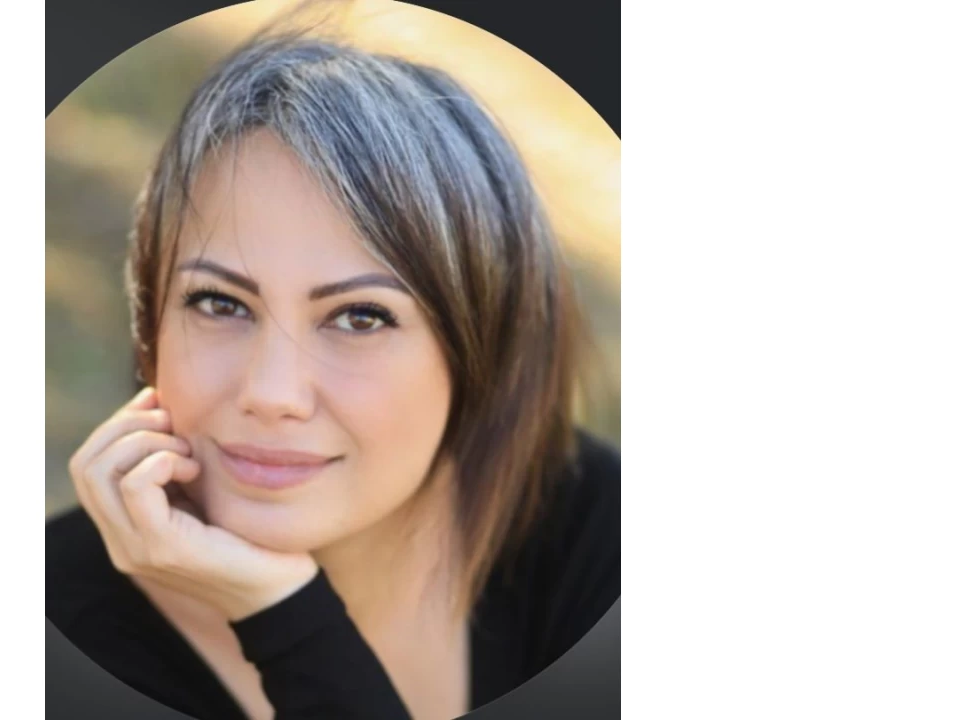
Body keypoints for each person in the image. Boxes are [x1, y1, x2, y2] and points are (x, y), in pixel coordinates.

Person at [46, 24, 619, 720]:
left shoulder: (603, 539)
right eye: (220, 303)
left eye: (360, 317)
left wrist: (285, 620)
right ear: (150, 326)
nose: (272, 394)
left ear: (484, 348)